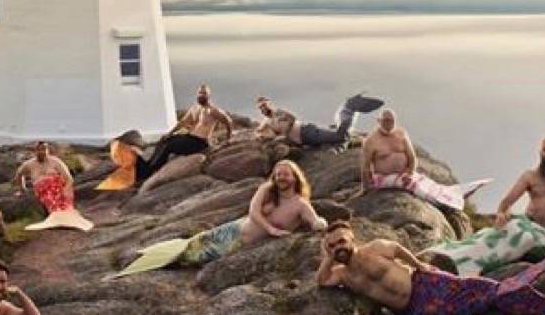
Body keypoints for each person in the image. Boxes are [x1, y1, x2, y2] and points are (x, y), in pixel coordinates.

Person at [316, 221, 545, 315]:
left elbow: (399, 250)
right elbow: (322, 281)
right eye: (333, 246)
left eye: (341, 242)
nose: (339, 248)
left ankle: (527, 292)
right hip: (411, 312)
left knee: (478, 287)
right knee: (467, 308)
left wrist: (421, 267)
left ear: (352, 239)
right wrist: (327, 257)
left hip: (424, 284)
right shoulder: (342, 274)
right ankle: (511, 296)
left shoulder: (376, 248)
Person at [114, 160, 327, 276]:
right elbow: (253, 211)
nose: (281, 177)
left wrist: (321, 224)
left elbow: (316, 220)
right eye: (278, 173)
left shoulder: (300, 204)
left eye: (285, 174)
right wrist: (271, 230)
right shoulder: (266, 189)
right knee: (191, 244)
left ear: (294, 177)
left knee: (192, 259)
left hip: (239, 244)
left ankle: (148, 263)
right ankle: (144, 255)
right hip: (232, 229)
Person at [423, 137, 545, 275]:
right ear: (540, 153)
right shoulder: (531, 176)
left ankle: (473, 270)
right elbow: (506, 202)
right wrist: (502, 214)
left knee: (525, 238)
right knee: (492, 234)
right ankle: (452, 257)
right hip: (526, 225)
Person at [359, 109, 489, 211]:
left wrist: (409, 173)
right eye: (386, 121)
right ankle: (445, 204)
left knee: (430, 185)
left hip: (405, 173)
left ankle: (458, 193)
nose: (388, 124)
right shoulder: (371, 141)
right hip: (384, 178)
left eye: (391, 121)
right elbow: (365, 167)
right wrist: (365, 189)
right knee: (417, 187)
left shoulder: (401, 134)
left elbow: (412, 158)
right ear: (379, 121)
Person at [141, 85, 233, 176]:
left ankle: (152, 170)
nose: (201, 95)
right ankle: (149, 164)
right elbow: (183, 122)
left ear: (209, 95)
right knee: (164, 140)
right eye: (200, 93)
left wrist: (228, 139)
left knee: (169, 146)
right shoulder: (195, 108)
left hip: (200, 142)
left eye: (204, 93)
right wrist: (169, 133)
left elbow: (228, 121)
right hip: (189, 137)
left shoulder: (213, 110)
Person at [13, 141, 93, 231]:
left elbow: (69, 179)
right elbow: (19, 175)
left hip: (57, 187)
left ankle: (65, 217)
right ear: (35, 152)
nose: (41, 152)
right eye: (38, 150)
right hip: (43, 190)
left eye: (44, 149)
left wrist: (66, 190)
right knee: (50, 200)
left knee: (64, 203)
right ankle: (58, 217)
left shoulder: (55, 161)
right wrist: (22, 189)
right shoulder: (29, 164)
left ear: (48, 150)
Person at [255, 93, 385, 148]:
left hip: (306, 132)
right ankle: (347, 108)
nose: (263, 108)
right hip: (305, 137)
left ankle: (349, 106)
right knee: (340, 134)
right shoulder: (267, 122)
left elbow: (292, 119)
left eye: (265, 105)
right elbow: (260, 132)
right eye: (261, 107)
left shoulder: (279, 112)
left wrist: (284, 129)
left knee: (341, 136)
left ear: (269, 104)